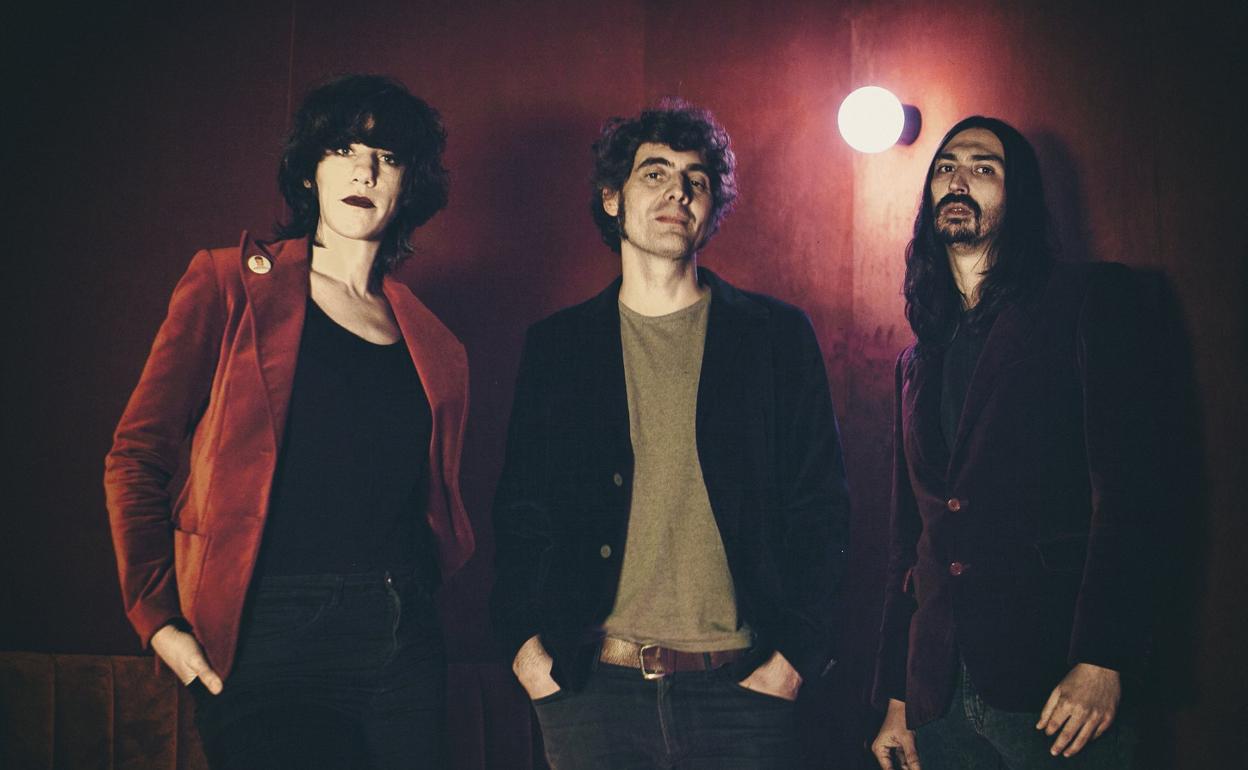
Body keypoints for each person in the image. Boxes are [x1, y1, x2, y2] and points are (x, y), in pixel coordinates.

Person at [104, 74, 474, 769]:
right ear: (310, 171)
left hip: (401, 636)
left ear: (409, 186)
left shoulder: (436, 343)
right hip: (268, 635)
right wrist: (156, 618)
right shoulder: (229, 285)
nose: (364, 171)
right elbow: (136, 455)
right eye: (344, 149)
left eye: (388, 157)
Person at [490, 100, 851, 769]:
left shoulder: (774, 337)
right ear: (612, 198)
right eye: (654, 173)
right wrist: (527, 655)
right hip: (591, 694)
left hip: (743, 692)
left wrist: (795, 660)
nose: (677, 191)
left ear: (711, 209)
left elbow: (822, 507)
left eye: (696, 179)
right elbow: (520, 512)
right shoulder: (559, 347)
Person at [869, 116, 1161, 769]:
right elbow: (907, 543)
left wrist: (1105, 658)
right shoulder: (916, 360)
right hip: (940, 701)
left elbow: (1131, 493)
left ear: (1018, 195)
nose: (958, 180)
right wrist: (898, 695)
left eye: (983, 167)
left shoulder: (1087, 299)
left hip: (1056, 687)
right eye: (945, 168)